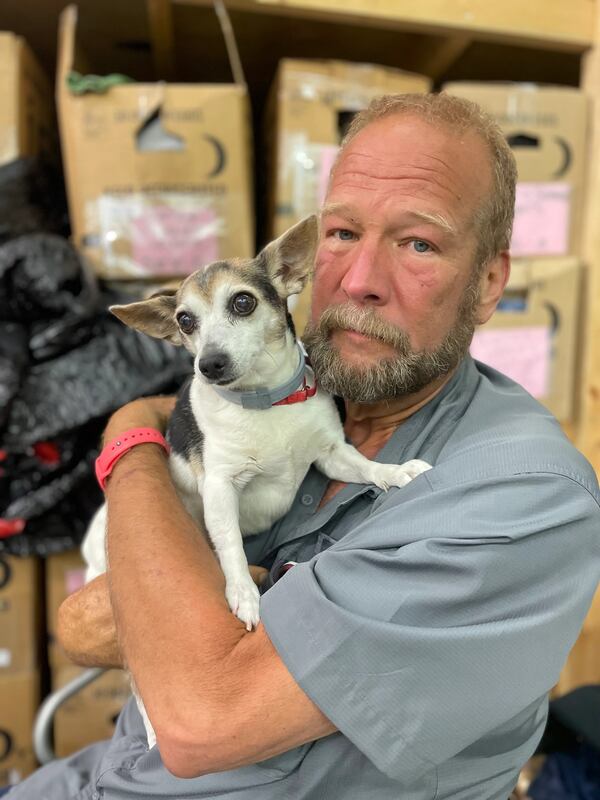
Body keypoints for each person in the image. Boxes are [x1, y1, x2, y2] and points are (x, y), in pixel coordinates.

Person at [8, 93, 600, 800]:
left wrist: (129, 433)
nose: (358, 281)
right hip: (101, 776)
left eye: (418, 243)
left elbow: (202, 718)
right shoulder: (294, 393)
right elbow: (82, 624)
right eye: (343, 233)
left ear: (488, 285)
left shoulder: (524, 498)